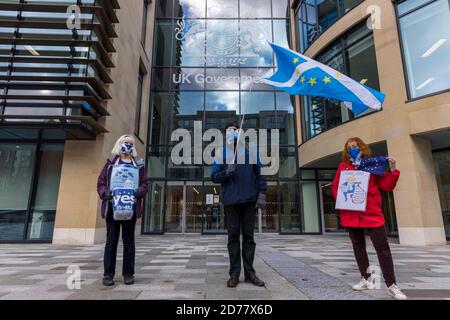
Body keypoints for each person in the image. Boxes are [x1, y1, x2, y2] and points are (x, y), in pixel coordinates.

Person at [332, 137, 407, 300]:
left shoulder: (372, 164)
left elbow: (386, 185)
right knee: (358, 247)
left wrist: (393, 169)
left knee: (383, 249)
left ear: (362, 147)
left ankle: (391, 284)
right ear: (346, 150)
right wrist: (344, 197)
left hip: (371, 213)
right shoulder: (343, 167)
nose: (353, 148)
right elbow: (336, 186)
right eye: (349, 146)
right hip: (352, 214)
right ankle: (366, 279)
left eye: (356, 145)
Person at [211, 123, 267, 288]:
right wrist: (226, 173)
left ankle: (250, 273)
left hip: (249, 200)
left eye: (235, 129)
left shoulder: (251, 152)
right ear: (225, 134)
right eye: (229, 130)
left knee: (249, 238)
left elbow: (260, 173)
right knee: (233, 237)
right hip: (231, 201)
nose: (233, 132)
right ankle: (234, 274)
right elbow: (213, 177)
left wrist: (262, 193)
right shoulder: (220, 153)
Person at [97, 134, 149, 286]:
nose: (128, 145)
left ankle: (128, 274)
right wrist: (104, 193)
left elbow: (146, 184)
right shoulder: (110, 165)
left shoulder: (139, 165)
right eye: (125, 142)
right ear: (119, 144)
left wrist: (138, 191)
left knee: (129, 242)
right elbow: (100, 183)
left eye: (131, 143)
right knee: (111, 242)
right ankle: (108, 274)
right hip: (113, 207)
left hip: (130, 207)